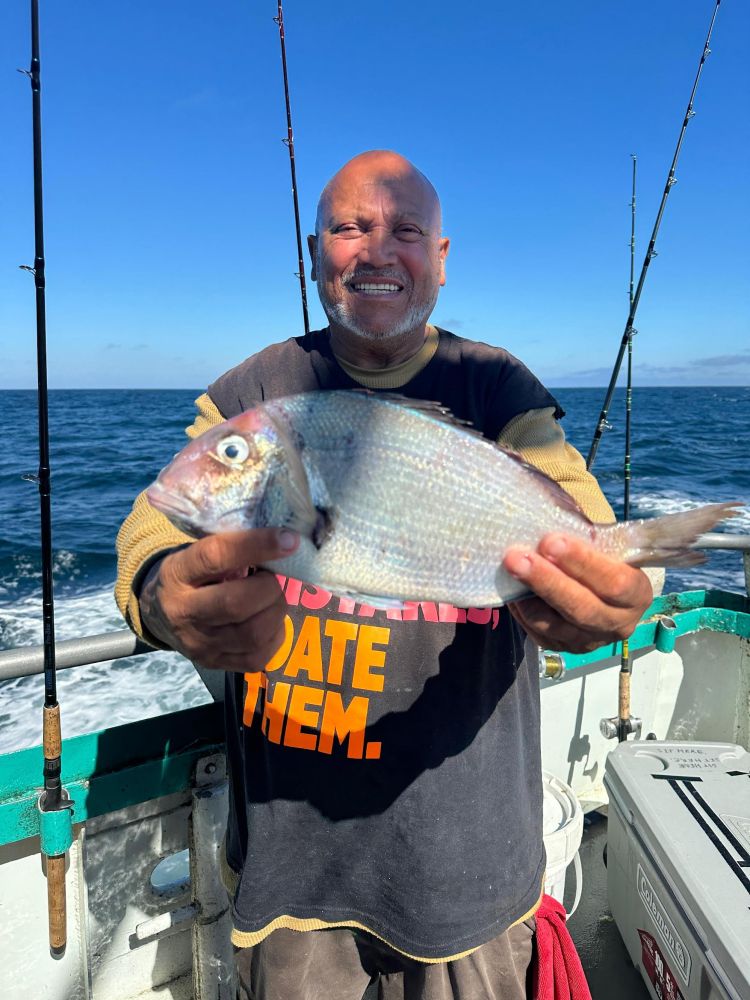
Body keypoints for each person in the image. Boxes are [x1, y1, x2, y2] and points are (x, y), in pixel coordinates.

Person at [116, 150, 652, 999]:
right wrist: (160, 589)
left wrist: (603, 587)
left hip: (468, 864)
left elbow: (573, 499)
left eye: (405, 230)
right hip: (291, 868)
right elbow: (159, 513)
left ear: (440, 259)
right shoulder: (253, 391)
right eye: (348, 228)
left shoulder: (498, 386)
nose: (375, 251)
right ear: (314, 250)